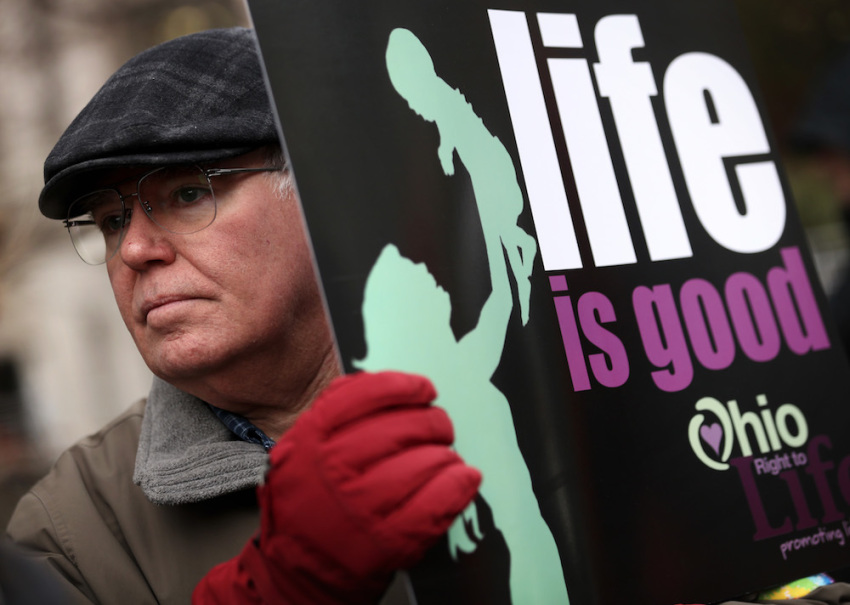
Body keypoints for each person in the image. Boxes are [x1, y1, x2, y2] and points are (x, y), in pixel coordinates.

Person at [4, 27, 480, 604]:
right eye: (111, 221)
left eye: (186, 194)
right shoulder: (69, 530)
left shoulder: (510, 389)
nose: (132, 249)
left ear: (320, 193)